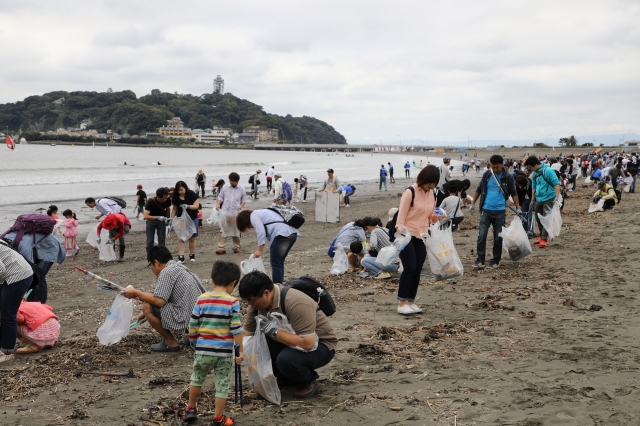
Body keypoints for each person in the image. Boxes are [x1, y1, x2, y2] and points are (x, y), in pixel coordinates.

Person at [239, 271, 337, 398]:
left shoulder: (295, 302)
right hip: (292, 340)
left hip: (322, 345)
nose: (249, 304)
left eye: (251, 301)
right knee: (258, 346)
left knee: (286, 360)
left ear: (266, 294)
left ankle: (307, 381)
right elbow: (247, 334)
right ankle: (285, 377)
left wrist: (273, 331)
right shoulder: (257, 304)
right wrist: (235, 349)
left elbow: (308, 343)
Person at [184, 261, 243, 425]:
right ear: (233, 283)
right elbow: (236, 329)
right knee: (222, 384)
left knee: (196, 378)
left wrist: (194, 342)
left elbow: (193, 324)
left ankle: (191, 408)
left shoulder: (201, 299)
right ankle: (218, 418)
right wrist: (241, 351)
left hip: (203, 350)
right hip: (223, 354)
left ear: (212, 280)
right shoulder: (232, 302)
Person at [123, 246, 205, 352]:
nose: (151, 269)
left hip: (189, 320)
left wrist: (136, 293)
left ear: (156, 263)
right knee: (150, 303)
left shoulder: (166, 272)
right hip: (202, 319)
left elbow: (159, 300)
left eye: (150, 265)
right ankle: (194, 336)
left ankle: (170, 342)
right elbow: (165, 295)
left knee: (147, 306)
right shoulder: (179, 267)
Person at [395, 165, 441, 315]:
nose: (432, 186)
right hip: (407, 235)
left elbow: (430, 216)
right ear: (423, 179)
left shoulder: (431, 193)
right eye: (430, 182)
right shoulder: (410, 192)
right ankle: (402, 303)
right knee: (410, 268)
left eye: (434, 183)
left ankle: (410, 301)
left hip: (422, 235)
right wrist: (401, 234)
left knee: (417, 269)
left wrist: (440, 218)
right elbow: (401, 217)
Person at [470, 155, 520, 267]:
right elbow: (479, 189)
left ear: (502, 164)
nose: (495, 169)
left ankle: (495, 260)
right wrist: (473, 203)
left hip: (500, 211)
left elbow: (513, 192)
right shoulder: (487, 174)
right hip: (485, 210)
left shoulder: (508, 177)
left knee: (498, 238)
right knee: (481, 236)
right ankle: (480, 259)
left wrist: (518, 208)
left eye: (497, 167)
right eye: (493, 167)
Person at [236, 209, 300, 284]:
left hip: (281, 234)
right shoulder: (262, 213)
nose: (251, 227)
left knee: (276, 263)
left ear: (245, 221)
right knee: (279, 262)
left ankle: (277, 287)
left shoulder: (253, 216)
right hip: (292, 233)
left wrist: (259, 250)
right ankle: (280, 284)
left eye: (248, 226)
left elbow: (261, 232)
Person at [0, 239, 34, 363]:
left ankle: (7, 351)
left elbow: (1, 270)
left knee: (8, 314)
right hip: (13, 273)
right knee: (3, 312)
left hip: (17, 276)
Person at [525, 156, 561, 248]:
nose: (530, 169)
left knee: (546, 218)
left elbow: (556, 183)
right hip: (539, 199)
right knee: (538, 218)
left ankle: (544, 238)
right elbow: (533, 186)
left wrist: (557, 197)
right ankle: (541, 235)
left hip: (549, 198)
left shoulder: (548, 171)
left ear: (536, 164)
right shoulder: (534, 174)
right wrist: (532, 199)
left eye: (530, 167)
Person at [216, 172, 246, 255]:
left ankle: (237, 246)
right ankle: (221, 247)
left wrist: (240, 206)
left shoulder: (242, 189)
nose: (232, 182)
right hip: (225, 212)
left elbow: (244, 200)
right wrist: (218, 204)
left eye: (233, 181)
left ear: (237, 181)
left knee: (236, 230)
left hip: (236, 213)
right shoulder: (225, 187)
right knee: (223, 230)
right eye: (230, 181)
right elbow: (220, 197)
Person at [171, 180, 200, 263]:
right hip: (181, 219)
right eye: (178, 190)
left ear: (185, 188)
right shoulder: (176, 197)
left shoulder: (191, 194)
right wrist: (172, 219)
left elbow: (196, 206)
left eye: (182, 190)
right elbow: (174, 209)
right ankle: (181, 257)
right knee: (182, 237)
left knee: (192, 237)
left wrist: (188, 206)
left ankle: (192, 255)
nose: (180, 192)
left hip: (192, 218)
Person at [144, 187, 172, 255]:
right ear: (158, 197)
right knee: (150, 241)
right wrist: (157, 217)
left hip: (161, 221)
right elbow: (145, 216)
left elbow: (168, 209)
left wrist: (168, 219)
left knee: (162, 241)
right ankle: (150, 258)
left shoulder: (167, 200)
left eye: (166, 197)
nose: (165, 200)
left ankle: (161, 257)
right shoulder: (151, 202)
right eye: (163, 198)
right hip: (151, 221)